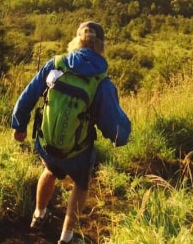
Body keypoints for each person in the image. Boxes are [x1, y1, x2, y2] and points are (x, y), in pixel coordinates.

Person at [12, 21, 131, 244]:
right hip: (77, 150)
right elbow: (116, 129)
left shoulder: (56, 64)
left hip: (47, 143)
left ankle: (39, 215)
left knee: (49, 170)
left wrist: (19, 126)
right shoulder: (101, 82)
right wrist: (124, 135)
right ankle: (66, 237)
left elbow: (27, 96)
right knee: (81, 184)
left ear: (76, 41)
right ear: (100, 46)